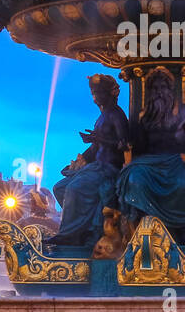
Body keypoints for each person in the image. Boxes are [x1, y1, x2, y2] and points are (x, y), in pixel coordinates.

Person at [117, 66, 185, 239]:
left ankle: (180, 230)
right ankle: (140, 228)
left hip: (177, 161)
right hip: (149, 162)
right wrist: (127, 146)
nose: (159, 92)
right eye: (155, 88)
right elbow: (140, 146)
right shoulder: (144, 116)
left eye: (162, 87)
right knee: (134, 179)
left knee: (184, 184)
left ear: (170, 89)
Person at [45, 74, 130, 248]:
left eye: (98, 92)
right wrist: (80, 160)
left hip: (108, 168)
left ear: (112, 93)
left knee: (75, 188)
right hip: (95, 167)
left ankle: (69, 235)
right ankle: (81, 230)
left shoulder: (116, 114)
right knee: (59, 187)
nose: (94, 96)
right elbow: (96, 147)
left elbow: (125, 144)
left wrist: (99, 139)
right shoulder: (102, 116)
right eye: (92, 92)